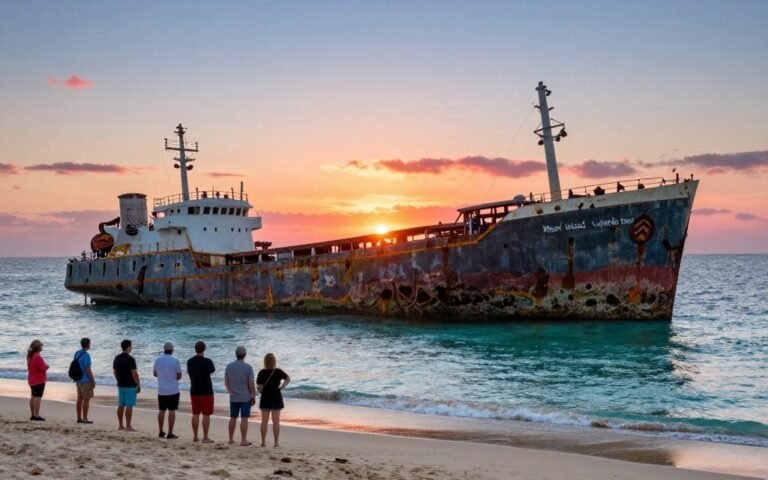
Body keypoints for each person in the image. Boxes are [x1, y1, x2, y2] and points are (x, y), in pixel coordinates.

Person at [257, 353, 290, 447]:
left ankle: (263, 442)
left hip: (265, 397)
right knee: (276, 422)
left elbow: (259, 387)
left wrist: (260, 390)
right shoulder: (278, 371)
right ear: (274, 361)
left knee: (264, 421)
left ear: (265, 361)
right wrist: (283, 386)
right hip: (276, 396)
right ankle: (276, 443)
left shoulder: (261, 372)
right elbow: (288, 378)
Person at [224, 346, 255, 446]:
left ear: (236, 354)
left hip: (233, 396)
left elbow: (226, 382)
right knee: (244, 418)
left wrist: (230, 391)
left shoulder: (229, 366)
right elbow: (251, 384)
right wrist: (253, 396)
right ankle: (243, 440)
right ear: (245, 355)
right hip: (245, 397)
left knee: (233, 417)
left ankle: (230, 439)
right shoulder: (248, 367)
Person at [187, 341, 216, 443]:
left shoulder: (190, 361)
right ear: (204, 349)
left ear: (195, 349)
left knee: (195, 413)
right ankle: (205, 437)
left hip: (194, 390)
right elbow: (212, 370)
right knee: (206, 414)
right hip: (206, 390)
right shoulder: (208, 361)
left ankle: (195, 436)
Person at [154, 341, 182, 439]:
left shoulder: (158, 360)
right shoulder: (175, 360)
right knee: (172, 411)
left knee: (161, 410)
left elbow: (154, 373)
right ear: (172, 350)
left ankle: (161, 431)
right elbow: (179, 376)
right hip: (173, 390)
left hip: (161, 390)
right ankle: (170, 433)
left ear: (164, 350)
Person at [113, 339, 141, 431]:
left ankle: (120, 425)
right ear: (128, 347)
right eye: (131, 346)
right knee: (129, 406)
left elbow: (115, 371)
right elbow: (134, 374)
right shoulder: (131, 359)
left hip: (121, 385)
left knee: (121, 405)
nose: (131, 348)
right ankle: (128, 426)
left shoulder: (117, 358)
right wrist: (138, 385)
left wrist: (118, 380)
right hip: (130, 386)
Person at [74, 337, 95, 424]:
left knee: (79, 399)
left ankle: (79, 417)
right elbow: (88, 369)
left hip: (78, 379)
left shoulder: (77, 353)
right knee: (86, 399)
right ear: (88, 344)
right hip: (85, 380)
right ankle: (85, 418)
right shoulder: (86, 355)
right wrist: (92, 380)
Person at [26, 340, 48, 421]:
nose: (42, 347)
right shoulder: (37, 357)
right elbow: (42, 368)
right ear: (38, 347)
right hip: (39, 379)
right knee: (38, 397)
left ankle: (32, 414)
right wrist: (47, 366)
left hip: (31, 378)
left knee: (33, 396)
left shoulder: (29, 356)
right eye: (41, 346)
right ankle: (36, 415)